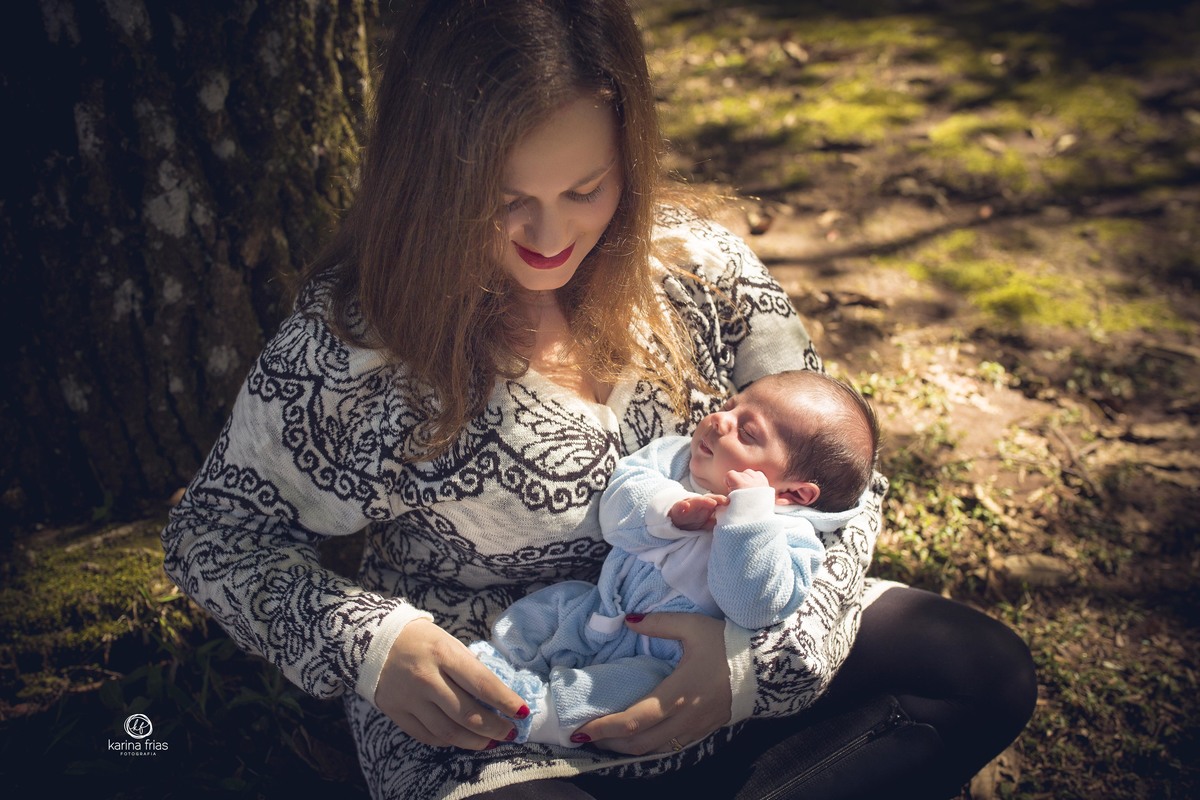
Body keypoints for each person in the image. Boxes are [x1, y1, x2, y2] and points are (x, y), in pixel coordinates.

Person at [160, 1, 1037, 799]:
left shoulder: (703, 271)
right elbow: (215, 535)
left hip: (733, 656)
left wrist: (749, 665)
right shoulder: (354, 344)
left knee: (982, 672)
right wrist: (373, 646)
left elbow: (845, 484)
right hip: (503, 717)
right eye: (502, 202)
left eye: (586, 190)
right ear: (429, 181)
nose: (550, 238)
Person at [470, 370, 881, 749]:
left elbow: (753, 605)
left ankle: (541, 714)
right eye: (730, 406)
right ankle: (496, 665)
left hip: (667, 656)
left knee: (630, 690)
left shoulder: (791, 536)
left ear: (792, 494)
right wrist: (669, 509)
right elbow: (619, 503)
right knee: (550, 608)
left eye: (748, 433)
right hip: (604, 606)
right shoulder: (677, 458)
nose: (720, 421)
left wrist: (748, 520)